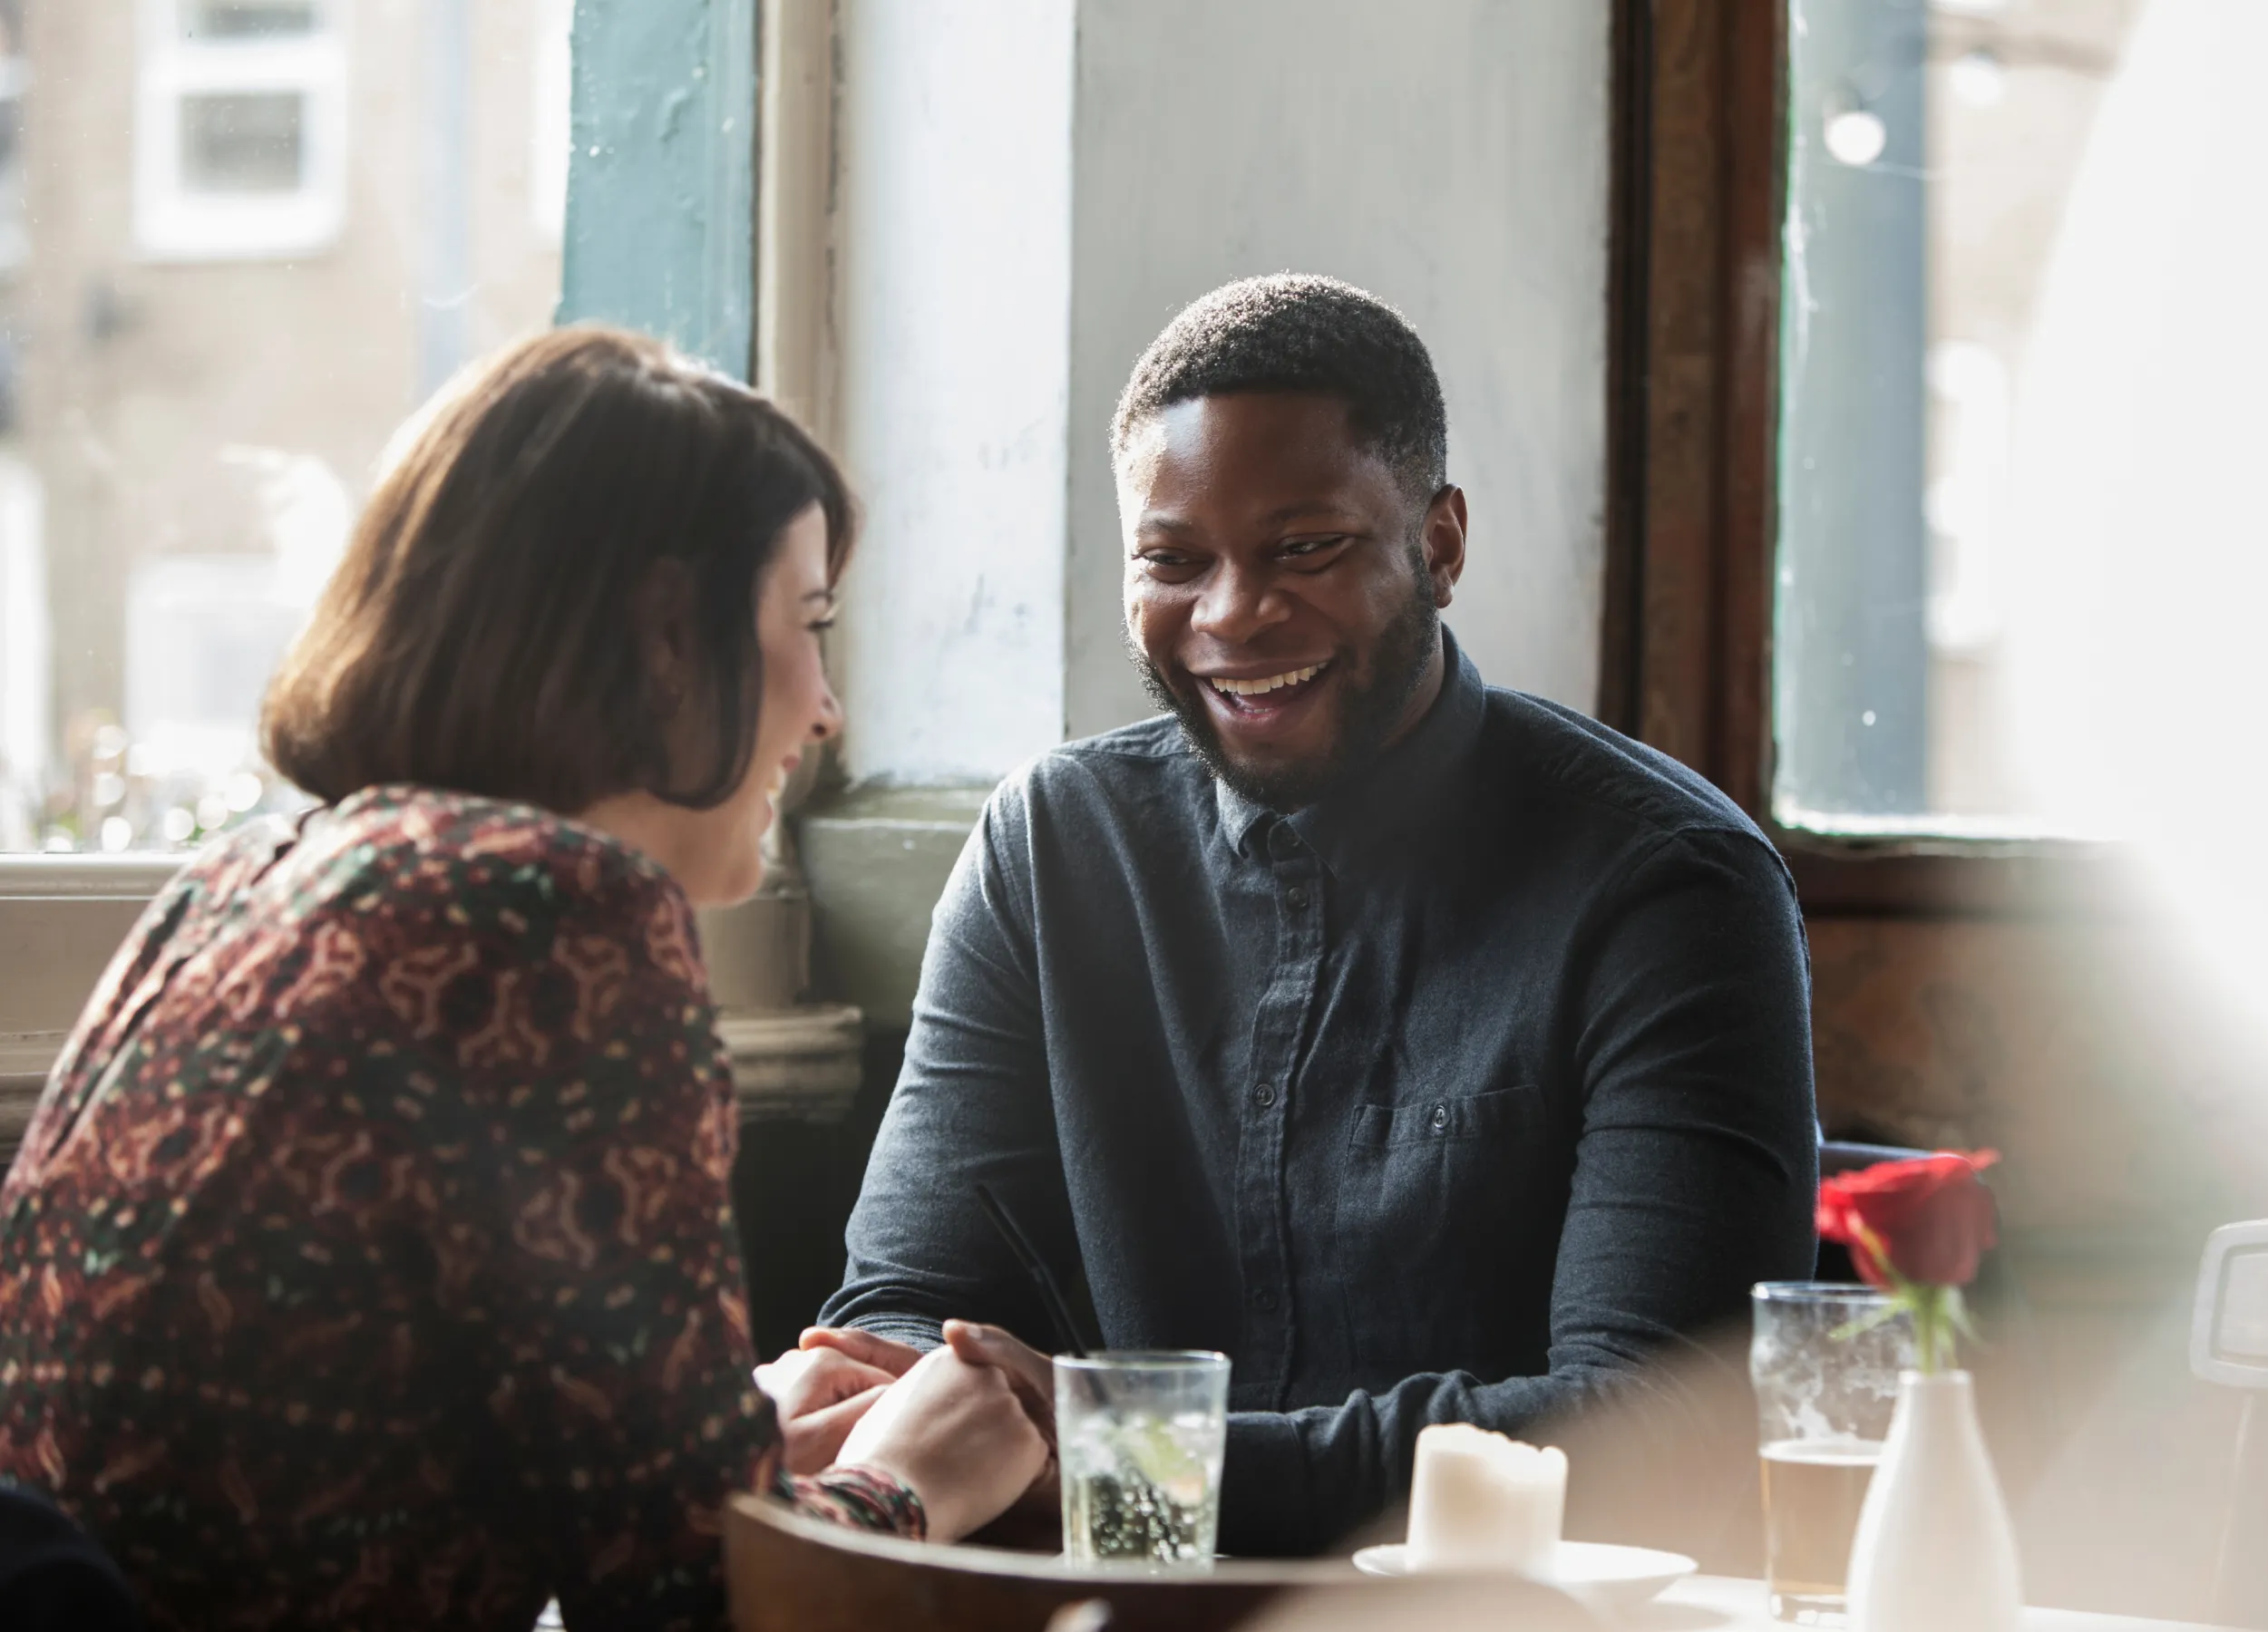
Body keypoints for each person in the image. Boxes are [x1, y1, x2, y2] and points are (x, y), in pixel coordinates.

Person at [0, 327, 1048, 1631]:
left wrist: (735, 1457)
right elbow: (687, 1607)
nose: (826, 709)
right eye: (808, 625)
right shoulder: (559, 915)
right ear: (671, 636)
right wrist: (916, 1476)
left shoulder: (242, 885)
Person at [794, 275, 1819, 1555]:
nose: (1231, 614)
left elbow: (1657, 1435)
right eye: (1173, 560)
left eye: (1306, 549)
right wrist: (863, 1400)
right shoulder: (1052, 847)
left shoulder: (1669, 887)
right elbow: (908, 1307)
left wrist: (1128, 1465)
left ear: (1438, 544)